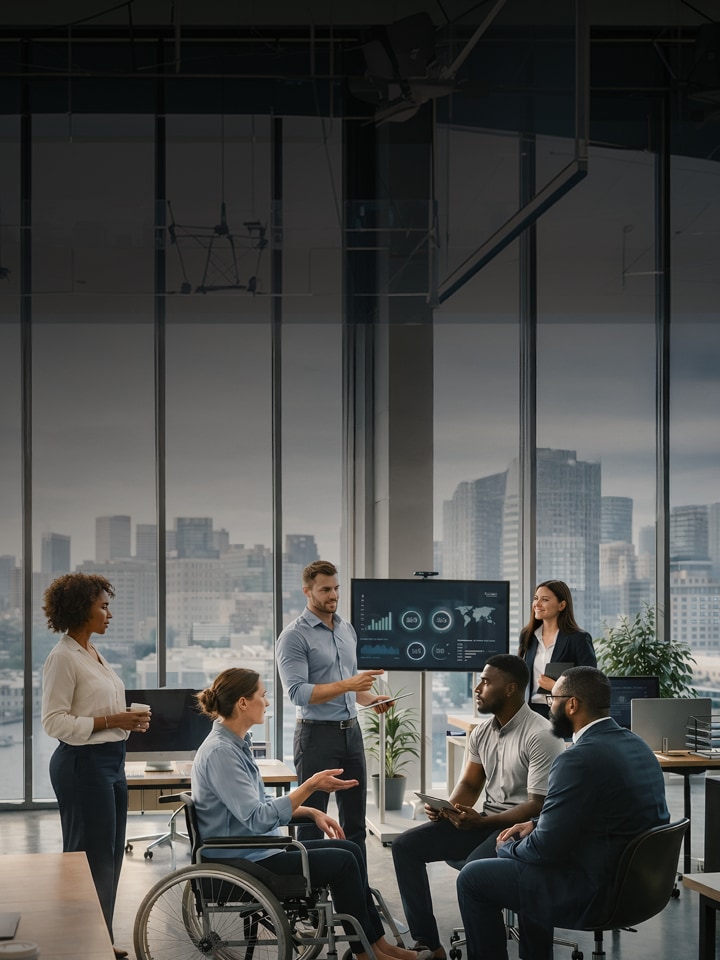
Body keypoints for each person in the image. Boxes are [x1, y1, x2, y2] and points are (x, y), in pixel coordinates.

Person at [191, 667, 430, 960]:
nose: (267, 703)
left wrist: (311, 810)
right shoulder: (221, 752)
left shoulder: (234, 745)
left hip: (256, 850)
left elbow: (259, 806)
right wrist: (311, 785)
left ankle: (378, 946)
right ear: (243, 703)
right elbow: (257, 818)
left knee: (350, 850)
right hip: (244, 861)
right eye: (263, 696)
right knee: (343, 860)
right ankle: (367, 953)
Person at [456, 666, 670, 960]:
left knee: (473, 877)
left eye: (552, 699)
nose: (549, 707)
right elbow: (593, 814)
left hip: (593, 891)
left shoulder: (577, 759)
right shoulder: (637, 745)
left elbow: (546, 850)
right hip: (639, 887)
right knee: (524, 865)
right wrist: (533, 823)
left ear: (572, 704)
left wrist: (507, 847)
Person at [391, 655, 564, 960]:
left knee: (474, 872)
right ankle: (428, 945)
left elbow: (538, 804)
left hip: (523, 830)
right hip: (486, 820)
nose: (477, 688)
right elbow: (471, 786)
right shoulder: (482, 732)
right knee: (405, 846)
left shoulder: (541, 734)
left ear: (510, 689)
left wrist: (481, 823)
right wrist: (449, 809)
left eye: (486, 681)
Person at [41, 572, 152, 960]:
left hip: (110, 761)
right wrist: (111, 722)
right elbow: (54, 722)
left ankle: (99, 939)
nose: (109, 613)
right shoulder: (62, 658)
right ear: (80, 609)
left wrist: (127, 721)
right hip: (82, 765)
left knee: (109, 857)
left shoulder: (92, 653)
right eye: (102, 606)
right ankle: (81, 944)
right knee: (89, 860)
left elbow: (95, 711)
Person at [276, 560, 390, 858]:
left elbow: (351, 688)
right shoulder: (294, 637)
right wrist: (350, 686)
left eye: (336, 588)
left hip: (351, 734)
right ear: (307, 591)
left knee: (354, 825)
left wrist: (370, 700)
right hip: (315, 738)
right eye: (325, 589)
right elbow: (298, 693)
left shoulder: (346, 629)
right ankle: (310, 899)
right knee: (312, 822)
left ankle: (357, 895)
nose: (333, 595)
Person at [518, 580, 596, 717]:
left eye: (545, 599)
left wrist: (556, 687)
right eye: (536, 598)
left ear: (562, 605)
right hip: (530, 712)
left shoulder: (578, 639)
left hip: (564, 714)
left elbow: (591, 683)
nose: (537, 604)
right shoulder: (528, 635)